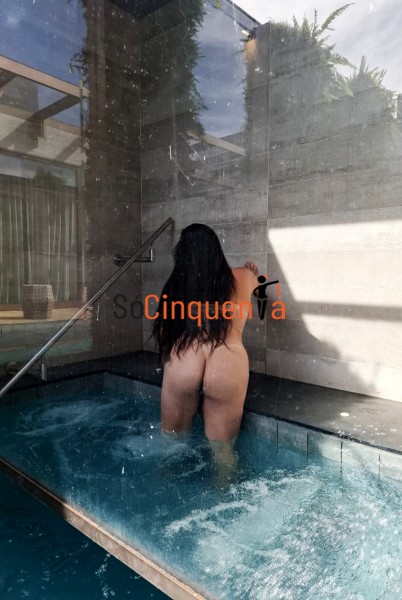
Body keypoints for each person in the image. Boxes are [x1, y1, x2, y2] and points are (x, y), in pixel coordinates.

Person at [152, 223, 259, 466]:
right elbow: (257, 285)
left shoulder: (178, 284)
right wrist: (251, 273)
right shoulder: (243, 277)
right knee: (223, 452)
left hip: (186, 357)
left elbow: (164, 333)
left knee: (171, 445)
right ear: (216, 250)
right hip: (226, 360)